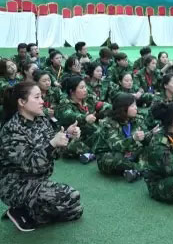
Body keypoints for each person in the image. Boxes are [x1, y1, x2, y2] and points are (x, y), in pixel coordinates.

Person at [0, 82, 83, 231]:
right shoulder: (12, 130)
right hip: (16, 187)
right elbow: (32, 165)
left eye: (41, 97)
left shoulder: (41, 119)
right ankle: (21, 210)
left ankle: (28, 209)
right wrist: (53, 143)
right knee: (71, 195)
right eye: (37, 97)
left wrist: (67, 135)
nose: (42, 101)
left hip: (37, 180)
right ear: (22, 102)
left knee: (76, 210)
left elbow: (54, 152)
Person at [94, 93, 156, 182]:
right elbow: (116, 146)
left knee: (150, 150)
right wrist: (133, 138)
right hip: (111, 154)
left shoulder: (136, 119)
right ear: (123, 108)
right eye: (132, 106)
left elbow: (143, 139)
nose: (136, 108)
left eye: (135, 105)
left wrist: (152, 133)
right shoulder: (108, 124)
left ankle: (134, 170)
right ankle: (140, 169)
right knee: (115, 159)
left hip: (131, 152)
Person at [55, 76, 100, 163]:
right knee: (70, 147)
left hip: (85, 132)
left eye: (85, 87)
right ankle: (93, 153)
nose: (85, 90)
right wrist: (85, 117)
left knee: (99, 132)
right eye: (82, 88)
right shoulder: (64, 102)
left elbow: (100, 104)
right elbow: (68, 115)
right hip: (70, 134)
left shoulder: (88, 98)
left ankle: (90, 153)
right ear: (72, 91)